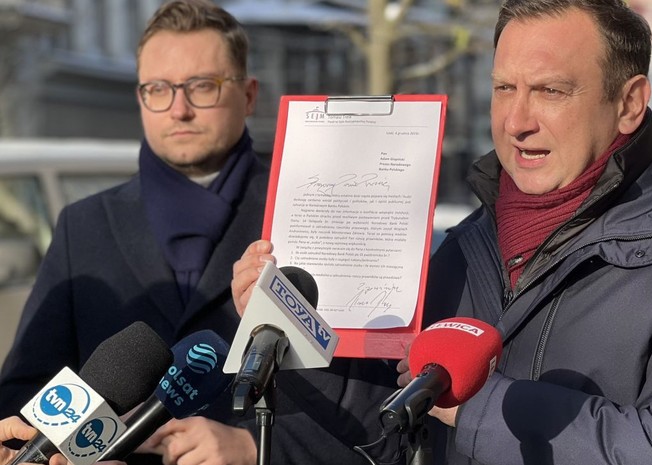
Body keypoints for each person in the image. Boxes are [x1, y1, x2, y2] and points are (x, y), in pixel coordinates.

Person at [0, 1, 402, 465]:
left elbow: (379, 412)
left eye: (203, 86)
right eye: (158, 89)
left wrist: (256, 448)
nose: (179, 109)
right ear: (140, 98)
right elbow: (23, 392)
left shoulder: (315, 214)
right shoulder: (83, 224)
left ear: (248, 95)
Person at [398, 0, 652, 464]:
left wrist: (482, 407)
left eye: (550, 91)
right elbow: (370, 435)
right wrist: (314, 341)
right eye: (504, 88)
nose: (516, 122)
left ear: (629, 104)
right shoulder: (463, 247)